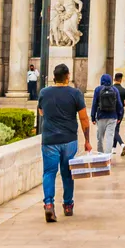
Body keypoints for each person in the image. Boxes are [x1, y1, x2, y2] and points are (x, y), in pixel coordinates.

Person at [36, 63, 91, 222]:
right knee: (67, 173)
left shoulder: (44, 93)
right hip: (69, 139)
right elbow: (83, 118)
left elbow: (41, 111)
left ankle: (48, 204)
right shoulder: (75, 93)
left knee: (49, 172)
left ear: (54, 76)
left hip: (50, 139)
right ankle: (67, 204)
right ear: (68, 76)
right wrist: (87, 140)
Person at [91, 73, 123, 156]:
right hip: (112, 117)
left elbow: (94, 104)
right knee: (110, 137)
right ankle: (107, 157)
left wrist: (93, 117)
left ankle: (100, 155)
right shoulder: (115, 89)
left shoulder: (97, 89)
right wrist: (120, 116)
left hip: (101, 117)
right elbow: (119, 104)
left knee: (100, 138)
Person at [112, 72, 125, 153]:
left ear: (114, 79)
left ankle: (121, 144)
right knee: (116, 128)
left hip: (111, 111)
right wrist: (120, 105)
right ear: (121, 80)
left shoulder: (111, 88)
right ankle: (114, 147)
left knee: (113, 129)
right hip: (120, 111)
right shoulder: (124, 90)